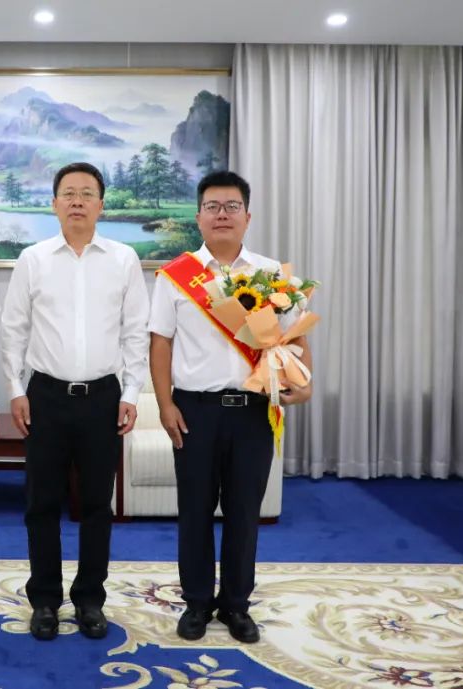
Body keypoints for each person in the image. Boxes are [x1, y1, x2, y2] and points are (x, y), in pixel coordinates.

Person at [148, 170, 313, 643]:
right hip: (194, 409)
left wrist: (304, 382)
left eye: (232, 206)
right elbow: (160, 344)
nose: (222, 214)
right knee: (194, 511)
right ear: (199, 216)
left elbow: (295, 336)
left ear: (247, 216)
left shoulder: (272, 275)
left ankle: (237, 604)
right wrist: (164, 404)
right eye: (213, 206)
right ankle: (197, 602)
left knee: (244, 513)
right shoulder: (175, 277)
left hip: (253, 410)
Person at [1, 162, 149, 641]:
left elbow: (135, 332)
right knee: (41, 503)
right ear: (54, 204)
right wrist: (16, 389)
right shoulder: (34, 258)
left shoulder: (123, 258)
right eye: (68, 193)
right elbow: (13, 330)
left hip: (103, 397)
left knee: (97, 505)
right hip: (45, 395)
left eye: (87, 193)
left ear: (101, 204)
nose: (78, 201)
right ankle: (45, 600)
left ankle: (90, 600)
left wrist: (131, 392)